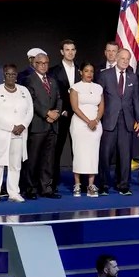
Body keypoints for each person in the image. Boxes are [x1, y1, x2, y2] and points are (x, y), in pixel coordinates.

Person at [97, 48, 139, 195]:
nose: (125, 61)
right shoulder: (104, 75)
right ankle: (103, 185)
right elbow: (99, 99)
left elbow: (136, 100)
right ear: (116, 58)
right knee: (105, 155)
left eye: (127, 59)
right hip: (109, 121)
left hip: (127, 122)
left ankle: (123, 185)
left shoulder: (133, 77)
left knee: (125, 155)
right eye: (122, 58)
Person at [0, 65, 32, 203]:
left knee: (15, 164)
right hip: (1, 134)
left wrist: (23, 125)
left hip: (19, 134)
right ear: (4, 76)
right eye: (8, 74)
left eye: (13, 74)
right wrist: (11, 127)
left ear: (17, 76)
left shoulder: (24, 91)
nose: (11, 76)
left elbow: (30, 110)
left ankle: (14, 192)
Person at [22, 51, 61, 199]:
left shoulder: (52, 80)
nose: (44, 66)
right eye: (40, 63)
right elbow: (31, 101)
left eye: (46, 63)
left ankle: (46, 188)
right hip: (37, 126)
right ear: (34, 64)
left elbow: (58, 98)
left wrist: (56, 113)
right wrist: (47, 113)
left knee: (48, 159)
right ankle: (30, 189)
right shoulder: (29, 80)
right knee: (33, 159)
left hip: (52, 126)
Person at [68, 63, 104, 197]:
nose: (89, 74)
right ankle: (77, 184)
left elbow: (101, 107)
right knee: (79, 153)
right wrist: (88, 121)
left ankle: (91, 185)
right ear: (81, 72)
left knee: (93, 154)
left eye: (91, 71)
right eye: (86, 71)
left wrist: (95, 121)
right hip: (80, 124)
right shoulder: (75, 87)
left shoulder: (98, 87)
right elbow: (75, 108)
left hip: (96, 124)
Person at [50, 39, 81, 189]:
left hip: (78, 116)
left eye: (72, 49)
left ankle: (78, 182)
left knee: (79, 149)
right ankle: (53, 181)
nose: (70, 52)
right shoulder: (54, 71)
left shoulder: (82, 70)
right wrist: (61, 110)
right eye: (67, 49)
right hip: (62, 116)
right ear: (62, 52)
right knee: (57, 150)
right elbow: (53, 93)